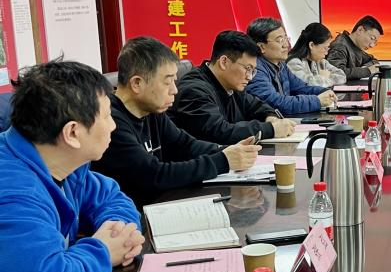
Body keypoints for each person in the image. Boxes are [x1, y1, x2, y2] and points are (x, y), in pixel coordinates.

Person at [0, 61, 143, 272]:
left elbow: (112, 197)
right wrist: (104, 251)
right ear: (73, 133)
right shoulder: (14, 192)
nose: (114, 125)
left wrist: (119, 232)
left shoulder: (61, 161)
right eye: (107, 116)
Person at [92, 37, 262, 209]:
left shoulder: (150, 110)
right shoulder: (110, 122)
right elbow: (154, 175)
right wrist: (223, 161)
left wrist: (229, 151)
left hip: (160, 204)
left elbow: (185, 144)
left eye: (174, 80)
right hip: (132, 214)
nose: (174, 90)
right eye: (168, 82)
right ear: (137, 83)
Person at [170, 31, 296, 143]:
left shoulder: (231, 85)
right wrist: (271, 129)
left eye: (253, 71)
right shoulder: (194, 90)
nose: (250, 77)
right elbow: (218, 132)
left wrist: (270, 117)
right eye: (247, 68)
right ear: (224, 62)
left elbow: (255, 105)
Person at [246, 17, 336, 114]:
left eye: (286, 38)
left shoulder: (281, 64)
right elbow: (277, 103)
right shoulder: (255, 70)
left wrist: (324, 91)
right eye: (280, 40)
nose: (286, 45)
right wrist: (317, 101)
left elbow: (301, 88)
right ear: (261, 47)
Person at [287, 23, 347, 88]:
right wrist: (325, 78)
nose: (327, 53)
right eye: (325, 48)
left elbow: (342, 76)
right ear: (311, 45)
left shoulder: (321, 61)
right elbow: (307, 84)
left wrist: (325, 79)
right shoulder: (293, 62)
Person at [327, 15, 383, 80]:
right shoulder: (339, 46)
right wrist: (367, 71)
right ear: (360, 30)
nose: (372, 45)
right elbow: (336, 73)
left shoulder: (355, 47)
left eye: (375, 42)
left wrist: (365, 67)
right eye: (372, 38)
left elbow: (374, 61)